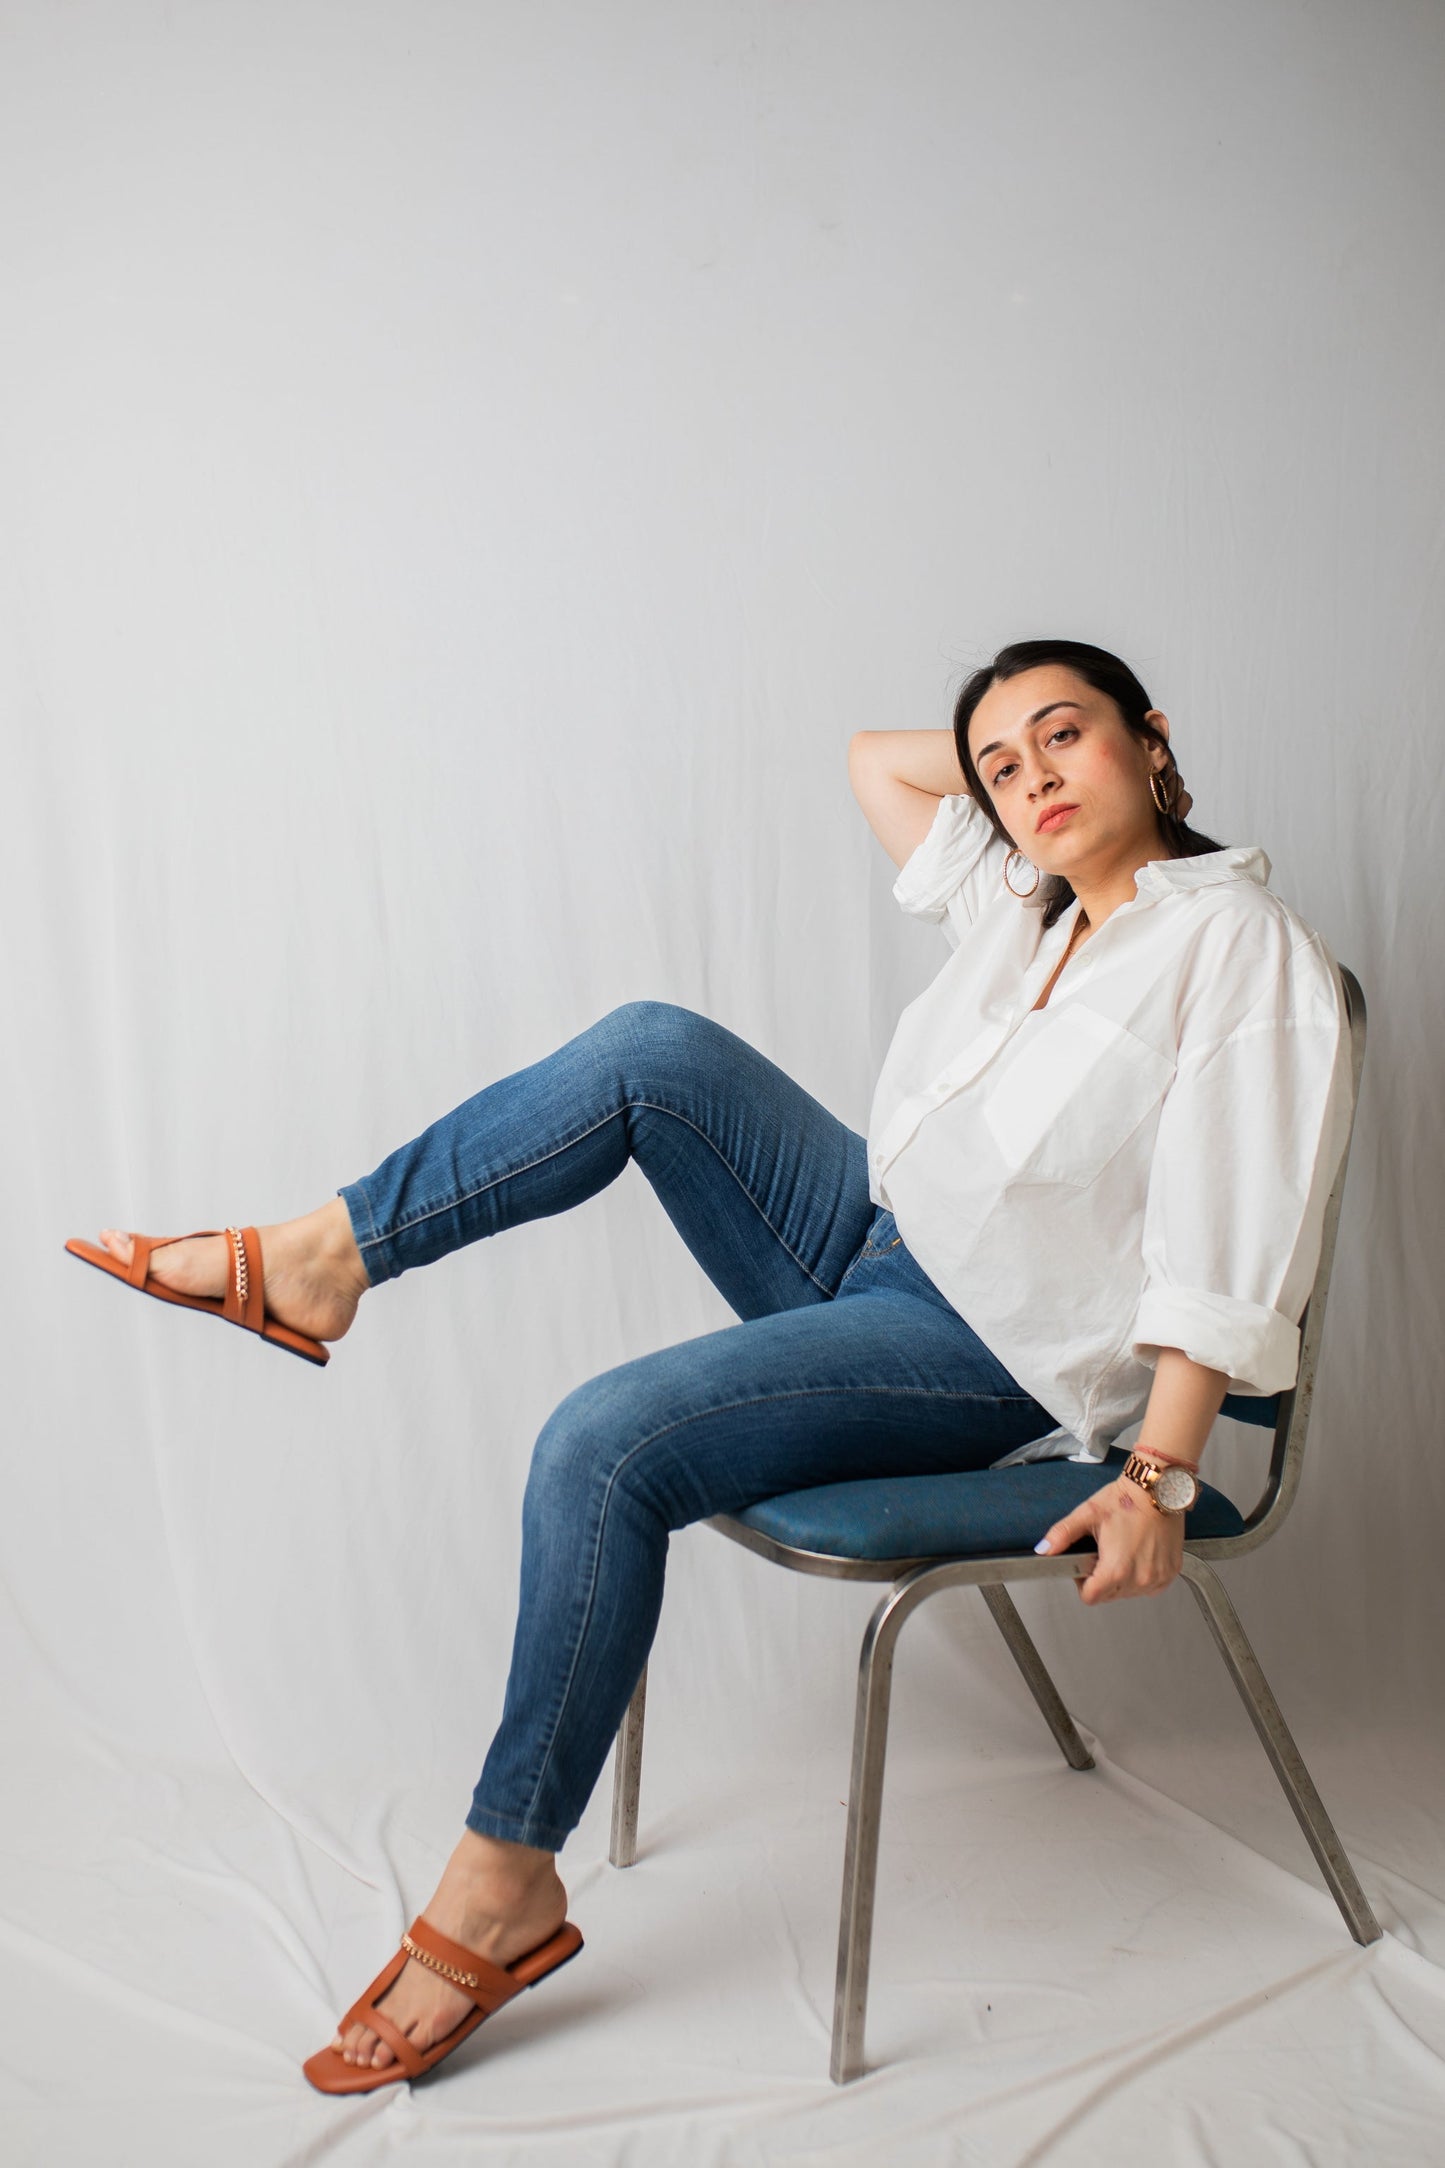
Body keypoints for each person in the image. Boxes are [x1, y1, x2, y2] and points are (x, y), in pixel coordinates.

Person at [65, 638, 1353, 2093]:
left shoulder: (1236, 948)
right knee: (648, 1049)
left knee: (597, 1443)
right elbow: (880, 760)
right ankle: (323, 1257)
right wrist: (1013, 778)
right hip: (876, 1242)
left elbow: (1228, 1240)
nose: (1029, 778)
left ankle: (503, 1883)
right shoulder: (1024, 898)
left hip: (990, 1352)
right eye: (1001, 763)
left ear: (1150, 736)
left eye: (1067, 737)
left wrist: (1156, 1475)